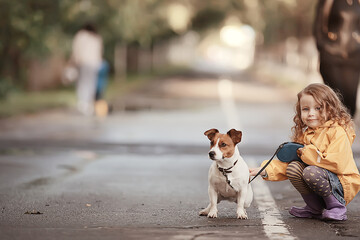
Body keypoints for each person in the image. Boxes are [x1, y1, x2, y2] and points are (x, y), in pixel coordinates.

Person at [249, 83, 360, 221]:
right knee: (293, 168)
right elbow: (290, 161)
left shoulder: (338, 132)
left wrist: (308, 154)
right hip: (322, 179)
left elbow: (337, 163)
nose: (311, 113)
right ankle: (314, 208)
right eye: (306, 109)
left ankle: (336, 207)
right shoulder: (306, 134)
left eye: (318, 108)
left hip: (342, 184)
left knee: (310, 172)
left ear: (331, 109)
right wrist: (265, 170)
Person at [314, 0, 360, 117]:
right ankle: (332, 133)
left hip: (353, 58)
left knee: (350, 105)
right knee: (336, 101)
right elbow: (317, 26)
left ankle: (345, 134)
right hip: (331, 57)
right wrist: (324, 48)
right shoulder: (329, 1)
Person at [71, 23, 103, 116]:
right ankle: (89, 104)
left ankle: (83, 104)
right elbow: (100, 51)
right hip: (94, 63)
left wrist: (75, 60)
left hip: (84, 62)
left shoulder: (81, 35)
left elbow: (76, 49)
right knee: (91, 83)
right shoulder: (96, 37)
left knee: (82, 83)